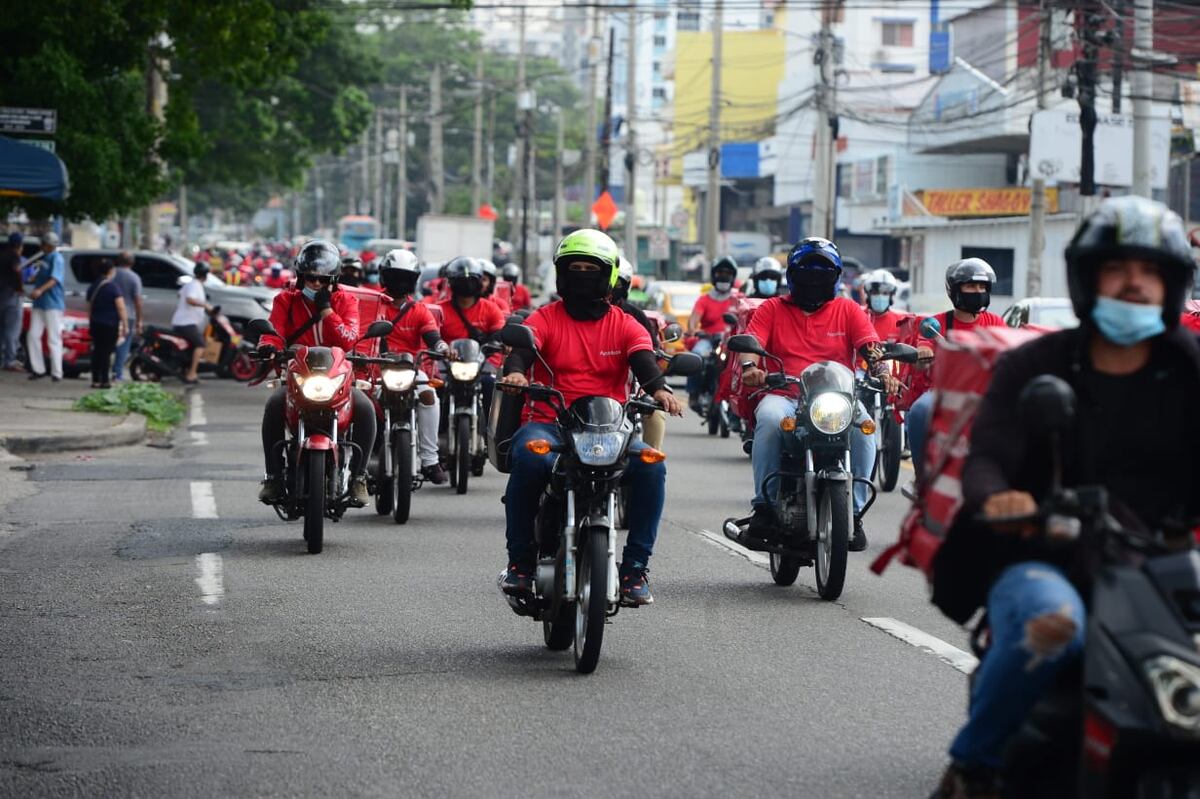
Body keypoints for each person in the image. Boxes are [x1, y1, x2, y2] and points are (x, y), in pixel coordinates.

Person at [928, 196, 1200, 798]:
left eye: (1150, 271)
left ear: (1172, 284)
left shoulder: (1190, 367)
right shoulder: (1037, 363)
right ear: (1087, 279)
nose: (1135, 284)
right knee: (1052, 624)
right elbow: (989, 457)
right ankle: (972, 766)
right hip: (1051, 551)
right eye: (1117, 269)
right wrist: (1001, 499)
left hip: (1168, 564)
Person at [497, 229, 683, 605]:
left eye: (590, 268)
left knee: (652, 466)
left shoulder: (626, 323)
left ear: (608, 275)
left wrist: (659, 389)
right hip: (550, 423)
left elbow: (643, 361)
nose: (582, 274)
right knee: (531, 460)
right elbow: (523, 349)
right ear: (562, 274)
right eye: (574, 267)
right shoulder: (545, 317)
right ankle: (520, 564)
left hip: (610, 427)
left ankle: (634, 570)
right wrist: (516, 371)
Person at [740, 237, 901, 550]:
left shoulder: (849, 310)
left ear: (836, 277)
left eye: (822, 272)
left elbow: (871, 348)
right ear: (792, 275)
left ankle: (853, 512)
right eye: (807, 271)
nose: (814, 279)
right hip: (785, 396)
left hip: (837, 400)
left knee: (867, 431)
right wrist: (750, 369)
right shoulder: (771, 308)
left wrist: (882, 372)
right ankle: (764, 506)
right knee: (770, 421)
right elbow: (751, 344)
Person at [256, 240, 375, 506]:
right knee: (274, 404)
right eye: (311, 278)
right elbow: (273, 333)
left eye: (323, 279)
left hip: (337, 380)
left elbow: (347, 340)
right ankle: (273, 477)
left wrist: (327, 312)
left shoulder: (347, 300)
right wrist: (268, 347)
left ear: (333, 280)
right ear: (301, 277)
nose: (316, 285)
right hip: (299, 378)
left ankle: (359, 478)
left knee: (365, 408)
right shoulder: (285, 300)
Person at [905, 259, 1006, 477]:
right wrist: (922, 355)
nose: (977, 291)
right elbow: (923, 346)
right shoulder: (935, 324)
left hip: (986, 393)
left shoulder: (996, 322)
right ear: (954, 290)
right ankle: (923, 478)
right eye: (970, 286)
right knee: (919, 411)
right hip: (944, 392)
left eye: (982, 287)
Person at [376, 248, 448, 484]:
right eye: (395, 276)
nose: (399, 282)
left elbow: (432, 337)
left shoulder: (419, 310)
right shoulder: (373, 306)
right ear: (384, 277)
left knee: (429, 395)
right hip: (376, 370)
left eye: (405, 277)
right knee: (358, 401)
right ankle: (356, 461)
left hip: (411, 370)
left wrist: (443, 348)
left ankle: (429, 459)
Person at [437, 256, 506, 413]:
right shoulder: (438, 310)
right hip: (447, 364)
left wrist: (494, 348)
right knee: (435, 386)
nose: (466, 284)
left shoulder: (491, 309)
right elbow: (431, 337)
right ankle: (437, 428)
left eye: (471, 279)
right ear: (451, 283)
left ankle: (490, 428)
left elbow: (498, 336)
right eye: (461, 280)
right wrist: (443, 351)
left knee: (489, 384)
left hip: (483, 362)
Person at [612, 255, 666, 450]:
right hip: (583, 390)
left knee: (655, 413)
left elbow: (650, 351)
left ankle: (651, 458)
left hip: (632, 385)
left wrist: (658, 389)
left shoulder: (635, 316)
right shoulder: (564, 315)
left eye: (615, 281)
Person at [685, 254, 740, 410]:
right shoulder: (704, 299)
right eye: (720, 273)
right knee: (696, 356)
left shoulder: (738, 299)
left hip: (731, 342)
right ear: (713, 276)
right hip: (708, 341)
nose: (724, 277)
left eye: (728, 274)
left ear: (733, 277)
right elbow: (693, 321)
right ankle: (693, 393)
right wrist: (694, 331)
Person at [26, 231, 66, 382]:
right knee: (33, 335)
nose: (41, 246)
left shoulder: (57, 258)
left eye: (43, 244)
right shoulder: (44, 258)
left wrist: (40, 289)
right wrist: (34, 277)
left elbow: (55, 279)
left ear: (49, 245)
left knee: (54, 338)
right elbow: (42, 274)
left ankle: (57, 372)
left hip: (52, 303)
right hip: (40, 303)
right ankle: (38, 369)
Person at [85, 258, 128, 388]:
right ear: (111, 271)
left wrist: (91, 321)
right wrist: (125, 324)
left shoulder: (93, 286)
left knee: (97, 351)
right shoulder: (112, 287)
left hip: (95, 323)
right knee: (106, 352)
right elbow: (121, 307)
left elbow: (89, 307)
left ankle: (95, 379)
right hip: (110, 325)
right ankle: (105, 380)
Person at [171, 263, 214, 385]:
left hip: (185, 321)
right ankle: (191, 374)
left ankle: (187, 371)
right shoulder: (194, 285)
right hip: (186, 323)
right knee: (201, 345)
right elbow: (189, 299)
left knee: (191, 347)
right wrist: (205, 305)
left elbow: (179, 294)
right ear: (206, 275)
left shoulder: (192, 284)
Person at [110, 251, 143, 382]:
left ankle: (103, 371)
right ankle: (117, 373)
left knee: (108, 343)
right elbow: (138, 301)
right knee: (123, 344)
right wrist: (140, 319)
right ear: (132, 263)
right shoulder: (134, 277)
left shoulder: (111, 274)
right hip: (127, 315)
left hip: (110, 313)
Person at [0, 232, 24, 371]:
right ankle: (10, 360)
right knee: (12, 330)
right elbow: (17, 270)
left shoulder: (2, 254)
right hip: (10, 295)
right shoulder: (14, 256)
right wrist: (20, 288)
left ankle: (2, 360)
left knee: (1, 330)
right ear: (20, 245)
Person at [860, 268, 905, 342]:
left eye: (885, 293)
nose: (880, 297)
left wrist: (924, 345)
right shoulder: (858, 317)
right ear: (868, 295)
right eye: (875, 293)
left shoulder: (900, 322)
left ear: (891, 296)